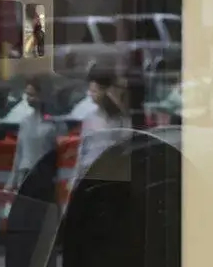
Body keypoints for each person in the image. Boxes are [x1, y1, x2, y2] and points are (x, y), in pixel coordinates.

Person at [70, 72, 129, 189]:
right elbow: (83, 149)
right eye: (91, 91)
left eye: (94, 91)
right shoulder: (90, 117)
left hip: (111, 174)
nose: (91, 94)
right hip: (90, 172)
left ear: (106, 92)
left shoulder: (121, 119)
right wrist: (75, 178)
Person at [7, 75, 60, 206]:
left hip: (44, 178)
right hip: (25, 176)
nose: (29, 99)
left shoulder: (53, 123)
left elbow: (59, 155)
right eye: (27, 95)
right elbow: (19, 153)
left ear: (42, 95)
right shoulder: (25, 122)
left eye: (32, 95)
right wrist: (11, 182)